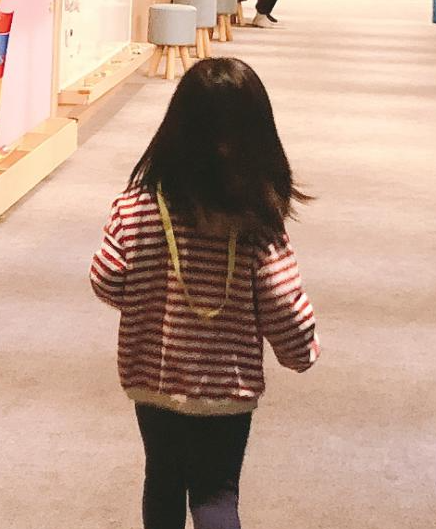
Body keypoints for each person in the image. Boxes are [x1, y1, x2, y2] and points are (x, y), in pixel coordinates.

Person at [90, 58, 319, 529]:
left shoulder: (136, 208)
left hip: (152, 381)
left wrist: (146, 294)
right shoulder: (257, 222)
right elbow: (281, 302)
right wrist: (301, 352)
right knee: (216, 491)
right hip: (225, 389)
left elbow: (107, 280)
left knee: (162, 479)